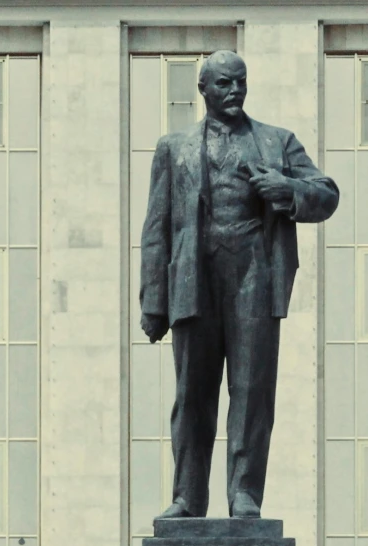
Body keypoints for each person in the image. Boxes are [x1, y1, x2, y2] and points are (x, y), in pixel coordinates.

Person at [137, 50, 338, 520]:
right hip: (195, 279)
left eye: (241, 83)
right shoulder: (174, 148)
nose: (235, 92)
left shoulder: (276, 142)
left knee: (252, 391)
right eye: (225, 84)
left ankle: (245, 494)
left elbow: (326, 193)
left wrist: (287, 189)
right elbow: (156, 228)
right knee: (193, 394)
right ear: (203, 89)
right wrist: (153, 302)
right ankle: (188, 497)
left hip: (254, 274)